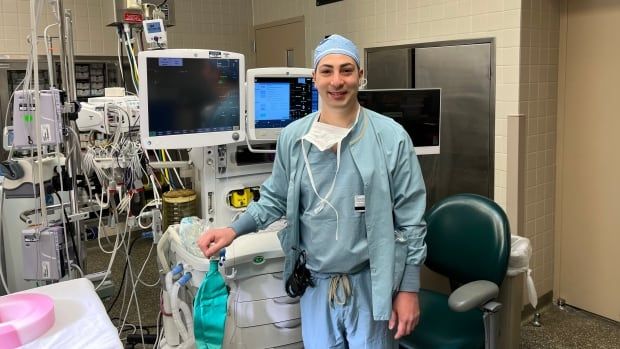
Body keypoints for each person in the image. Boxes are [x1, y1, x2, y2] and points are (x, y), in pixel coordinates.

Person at [198, 34, 427, 348]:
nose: (337, 81)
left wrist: (409, 289)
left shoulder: (390, 137)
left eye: (346, 70)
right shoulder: (294, 137)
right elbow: (275, 198)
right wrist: (233, 230)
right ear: (314, 78)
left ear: (360, 76)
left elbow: (411, 221)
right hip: (316, 286)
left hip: (371, 285)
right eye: (327, 71)